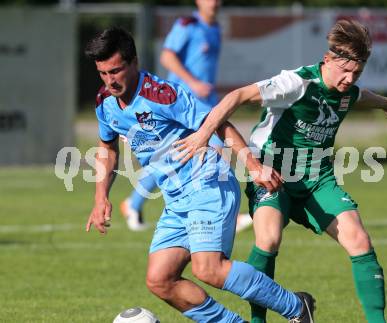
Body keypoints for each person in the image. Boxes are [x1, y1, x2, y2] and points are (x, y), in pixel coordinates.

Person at [173, 19, 387, 323]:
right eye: (345, 71)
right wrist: (205, 133)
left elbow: (361, 97)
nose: (350, 79)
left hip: (317, 180)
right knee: (268, 240)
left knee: (359, 241)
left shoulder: (347, 91)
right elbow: (236, 97)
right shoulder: (296, 83)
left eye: (357, 73)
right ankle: (259, 321)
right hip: (273, 174)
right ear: (328, 60)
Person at [85, 27, 315, 323]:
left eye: (115, 71)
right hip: (176, 197)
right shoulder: (104, 102)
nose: (109, 80)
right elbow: (108, 148)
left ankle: (297, 308)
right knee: (160, 279)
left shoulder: (162, 95)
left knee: (209, 268)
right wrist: (100, 196)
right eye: (102, 73)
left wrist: (254, 166)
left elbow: (219, 123)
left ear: (133, 62)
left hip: (207, 182)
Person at [118, 0, 259, 232]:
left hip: (205, 104)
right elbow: (167, 57)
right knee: (203, 153)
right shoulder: (187, 25)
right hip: (179, 106)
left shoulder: (215, 28)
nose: (214, 2)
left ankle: (133, 203)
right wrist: (193, 82)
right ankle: (226, 215)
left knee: (184, 156)